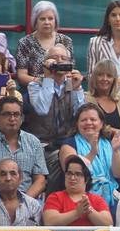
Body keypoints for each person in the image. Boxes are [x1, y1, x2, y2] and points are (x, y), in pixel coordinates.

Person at [25, 44, 83, 183]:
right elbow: (42, 109)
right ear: (45, 63)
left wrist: (78, 88)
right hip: (41, 144)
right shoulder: (35, 85)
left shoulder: (72, 84)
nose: (59, 61)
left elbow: (80, 115)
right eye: (54, 58)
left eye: (64, 58)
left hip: (67, 142)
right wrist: (48, 78)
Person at [0, 97, 47, 196]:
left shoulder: (33, 142)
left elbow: (40, 180)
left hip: (27, 200)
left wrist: (24, 202)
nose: (12, 119)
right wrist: (1, 201)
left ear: (22, 118)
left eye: (16, 114)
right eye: (7, 114)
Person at [61, 102, 120, 204]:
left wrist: (115, 151)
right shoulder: (69, 144)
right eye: (83, 120)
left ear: (101, 123)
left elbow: (119, 174)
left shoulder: (109, 142)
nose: (88, 123)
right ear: (77, 124)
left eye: (93, 120)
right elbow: (73, 171)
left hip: (112, 195)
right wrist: (92, 153)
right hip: (82, 198)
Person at [15, 0, 74, 88]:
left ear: (55, 21)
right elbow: (22, 76)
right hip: (34, 89)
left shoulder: (66, 41)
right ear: (35, 21)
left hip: (62, 88)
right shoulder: (25, 43)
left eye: (50, 19)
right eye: (42, 19)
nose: (47, 22)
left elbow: (70, 71)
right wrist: (45, 81)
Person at [86, 0, 120, 82]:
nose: (118, 19)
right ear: (108, 19)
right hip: (104, 93)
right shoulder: (95, 43)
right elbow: (91, 75)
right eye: (113, 15)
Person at [85, 59, 120, 131]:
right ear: (94, 77)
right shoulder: (86, 99)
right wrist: (113, 131)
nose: (105, 79)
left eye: (109, 76)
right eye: (100, 75)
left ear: (114, 79)